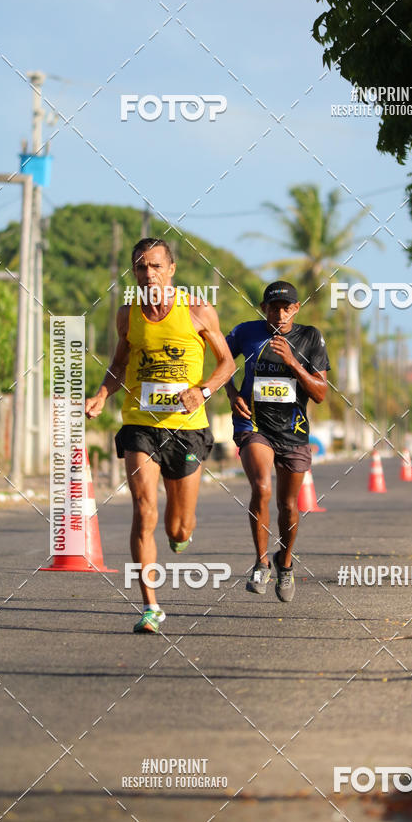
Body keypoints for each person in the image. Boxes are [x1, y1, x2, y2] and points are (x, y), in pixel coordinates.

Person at [85, 238, 235, 633]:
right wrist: (102, 393)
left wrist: (201, 391)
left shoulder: (199, 310)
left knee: (178, 527)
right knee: (144, 508)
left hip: (187, 429)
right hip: (141, 425)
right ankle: (150, 607)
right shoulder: (127, 315)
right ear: (134, 272)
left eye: (154, 266)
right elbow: (119, 363)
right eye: (140, 267)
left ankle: (180, 533)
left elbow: (227, 364)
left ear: (171, 269)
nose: (147, 274)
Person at [225, 281, 330, 602]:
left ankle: (285, 563)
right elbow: (221, 363)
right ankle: (260, 562)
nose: (280, 314)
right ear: (263, 308)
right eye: (273, 308)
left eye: (286, 308)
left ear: (296, 309)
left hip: (294, 430)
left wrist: (294, 363)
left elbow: (320, 393)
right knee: (262, 488)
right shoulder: (246, 332)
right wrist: (231, 396)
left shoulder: (309, 337)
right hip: (253, 423)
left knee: (287, 505)